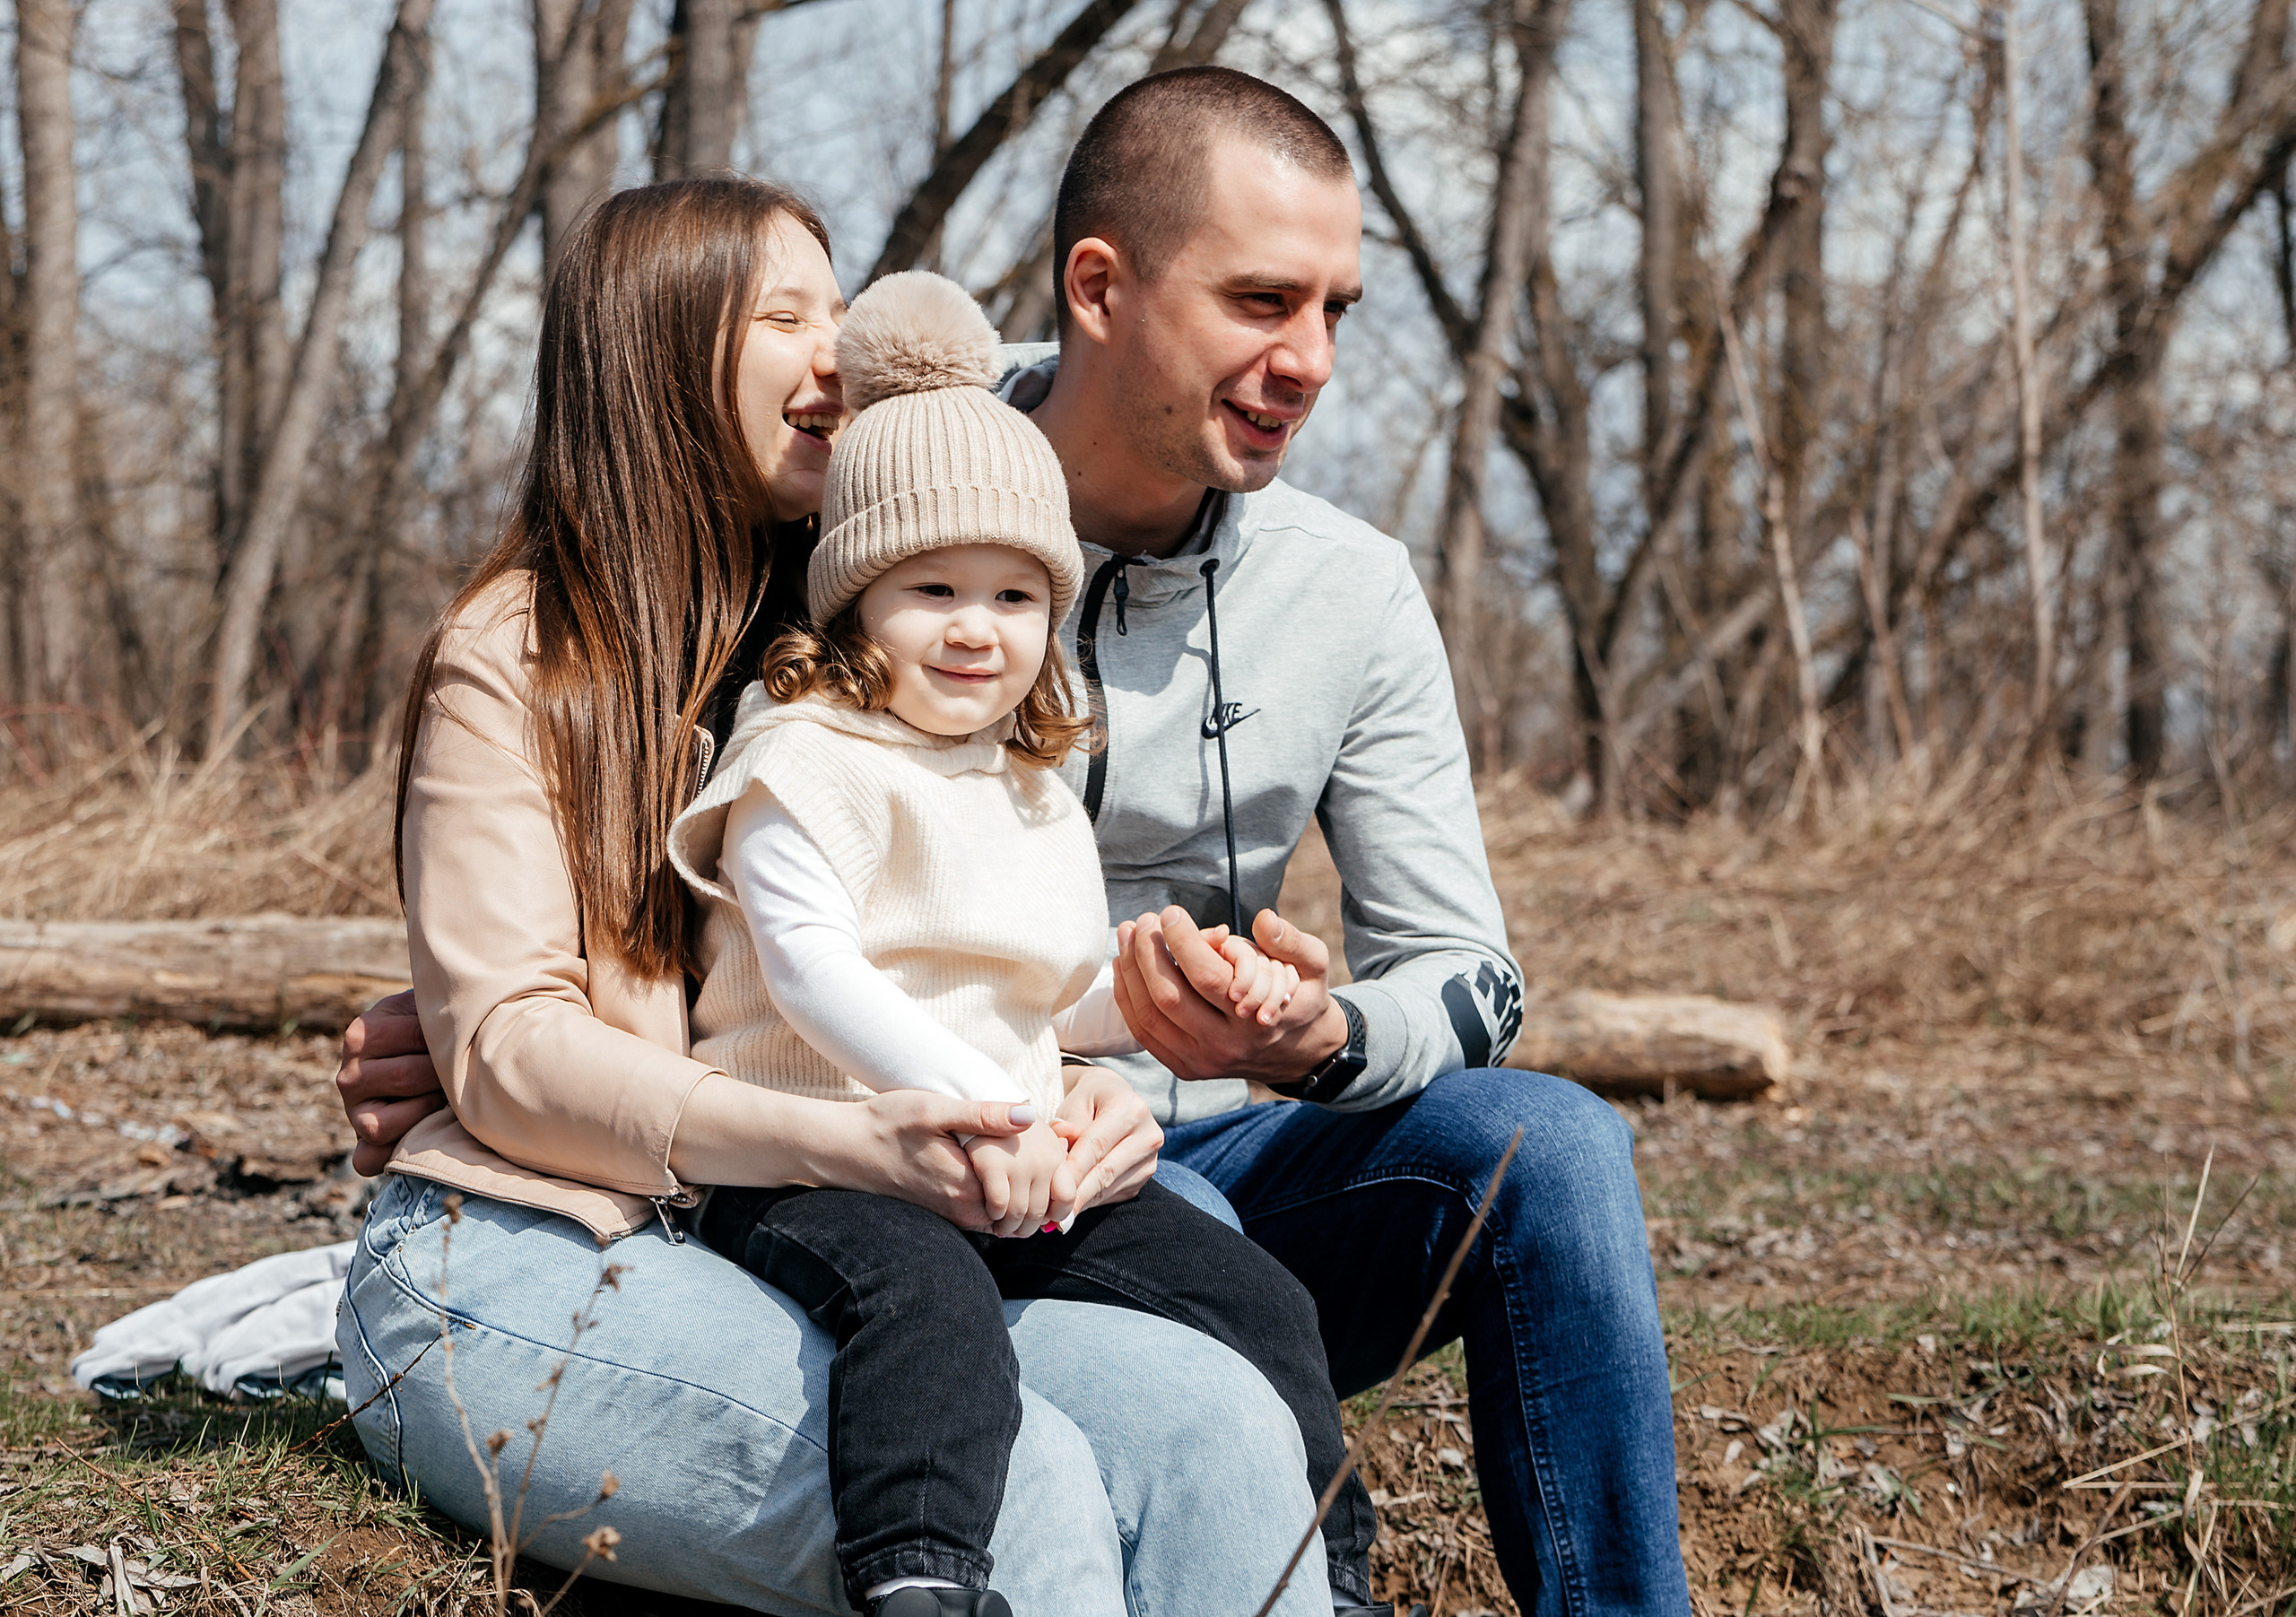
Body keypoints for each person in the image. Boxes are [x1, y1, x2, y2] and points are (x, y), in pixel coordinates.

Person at [343, 67, 1694, 1617]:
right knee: (1023, 1464)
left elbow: (1445, 965)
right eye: (1264, 299)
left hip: (1067, 1144)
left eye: (1336, 309)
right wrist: (480, 1036)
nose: (1310, 359)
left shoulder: (1328, 587)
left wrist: (1285, 1036)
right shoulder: (842, 546)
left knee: (1311, 1348)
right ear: (1100, 288)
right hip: (800, 1182)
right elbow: (583, 998)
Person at [336, 175, 1337, 1617]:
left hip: (838, 1213)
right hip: (541, 1240)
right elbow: (514, 1047)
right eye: (786, 317)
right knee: (1018, 1485)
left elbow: (944, 977)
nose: (840, 354)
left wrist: (1072, 1090)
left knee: (1220, 1428)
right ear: (656, 354)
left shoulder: (873, 620)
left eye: (844, 311)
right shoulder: (525, 651)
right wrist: (854, 1137)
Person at [663, 268, 1380, 1617]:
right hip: (822, 1155)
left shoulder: (1024, 780)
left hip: (1014, 1163)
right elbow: (812, 969)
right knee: (930, 1308)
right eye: (932, 586)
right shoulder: (805, 757)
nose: (974, 629)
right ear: (854, 600)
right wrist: (997, 1112)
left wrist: (1179, 979)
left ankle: (1329, 1577)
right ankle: (921, 1572)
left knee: (1257, 1297)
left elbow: (1048, 994)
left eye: (1013, 596)